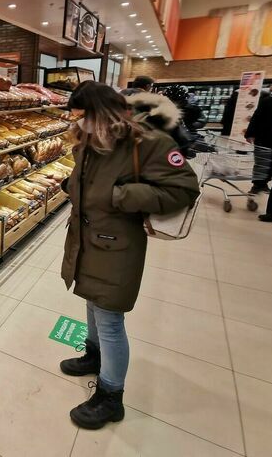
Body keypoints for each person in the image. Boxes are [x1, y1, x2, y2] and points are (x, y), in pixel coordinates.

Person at [59, 81, 200, 430]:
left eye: (80, 116)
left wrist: (120, 196)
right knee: (92, 301)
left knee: (109, 317)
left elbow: (183, 188)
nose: (76, 123)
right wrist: (72, 186)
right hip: (87, 237)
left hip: (117, 243)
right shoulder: (90, 139)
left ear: (101, 113)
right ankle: (94, 355)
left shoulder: (148, 142)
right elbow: (92, 181)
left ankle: (111, 396)